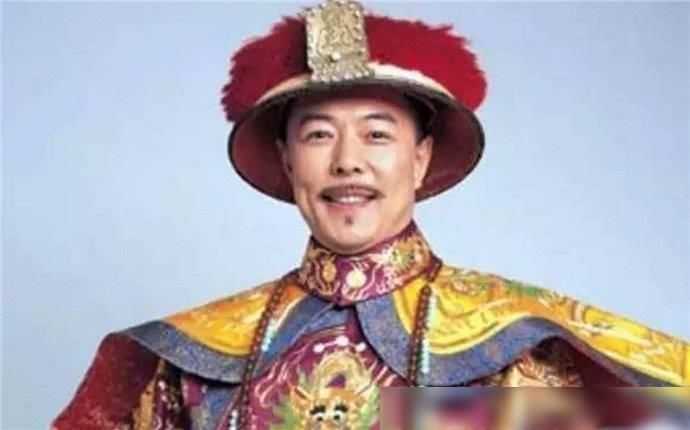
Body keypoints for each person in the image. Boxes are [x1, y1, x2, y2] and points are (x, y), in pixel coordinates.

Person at [53, 0, 689, 429]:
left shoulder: (512, 346)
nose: (348, 162)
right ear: (287, 160)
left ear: (420, 157)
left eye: (377, 134)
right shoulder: (195, 360)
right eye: (319, 135)